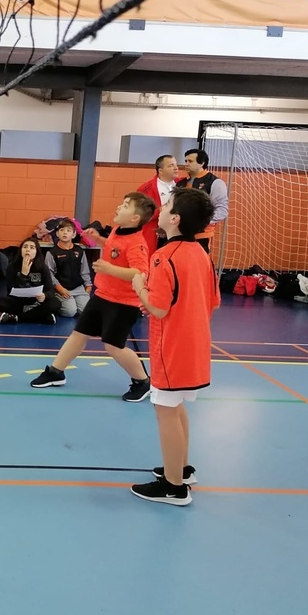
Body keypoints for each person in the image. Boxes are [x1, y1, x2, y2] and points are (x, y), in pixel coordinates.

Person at [130, 189, 220, 505]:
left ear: (175, 219)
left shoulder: (163, 255)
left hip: (171, 347)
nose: (162, 208)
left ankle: (173, 487)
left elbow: (158, 308)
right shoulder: (202, 255)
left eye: (167, 205)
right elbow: (210, 301)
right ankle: (181, 469)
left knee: (165, 410)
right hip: (196, 345)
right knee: (176, 405)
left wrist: (140, 289)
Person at [30, 191, 155, 401]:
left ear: (135, 218)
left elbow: (140, 273)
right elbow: (115, 250)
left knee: (113, 346)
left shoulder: (137, 243)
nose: (119, 207)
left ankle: (143, 381)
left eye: (126, 206)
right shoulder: (117, 230)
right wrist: (99, 240)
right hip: (103, 295)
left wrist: (109, 269)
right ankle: (56, 372)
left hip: (124, 303)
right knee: (79, 334)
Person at [0, 236, 60, 324]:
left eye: (32, 247)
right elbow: (10, 290)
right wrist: (23, 275)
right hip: (19, 302)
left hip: (37, 302)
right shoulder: (12, 267)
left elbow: (51, 291)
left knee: (55, 303)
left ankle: (17, 318)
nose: (28, 250)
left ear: (36, 252)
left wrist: (44, 295)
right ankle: (41, 316)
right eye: (25, 247)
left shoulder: (43, 268)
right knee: (1, 302)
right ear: (21, 250)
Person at [178, 148, 229, 253]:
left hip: (201, 235)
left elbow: (222, 210)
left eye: (190, 161)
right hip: (179, 233)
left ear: (202, 163)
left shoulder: (215, 182)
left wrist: (202, 221)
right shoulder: (181, 183)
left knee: (197, 262)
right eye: (185, 161)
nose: (186, 164)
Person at [44, 219, 93, 317]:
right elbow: (49, 274)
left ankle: (75, 301)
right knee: (70, 312)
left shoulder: (80, 251)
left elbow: (84, 271)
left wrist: (88, 286)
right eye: (62, 230)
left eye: (68, 230)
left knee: (85, 311)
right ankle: (61, 303)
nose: (65, 233)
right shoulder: (52, 253)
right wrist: (60, 288)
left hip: (78, 288)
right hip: (61, 288)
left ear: (74, 234)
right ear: (57, 234)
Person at [136, 154, 184, 253]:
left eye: (176, 165)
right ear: (160, 170)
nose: (176, 168)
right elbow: (139, 214)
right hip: (156, 235)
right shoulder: (146, 189)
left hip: (177, 234)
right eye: (171, 165)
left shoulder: (183, 184)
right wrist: (160, 210)